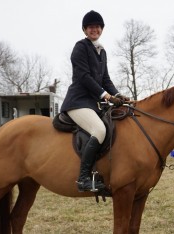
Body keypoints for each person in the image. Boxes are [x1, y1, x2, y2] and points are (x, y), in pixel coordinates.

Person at [60, 10, 129, 192]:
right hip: (77, 102)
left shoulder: (102, 51)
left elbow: (105, 78)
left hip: (92, 104)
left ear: (102, 29)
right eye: (91, 27)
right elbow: (84, 76)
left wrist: (118, 95)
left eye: (97, 26)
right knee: (99, 130)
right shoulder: (80, 47)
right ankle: (83, 179)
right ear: (84, 30)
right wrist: (106, 96)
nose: (94, 29)